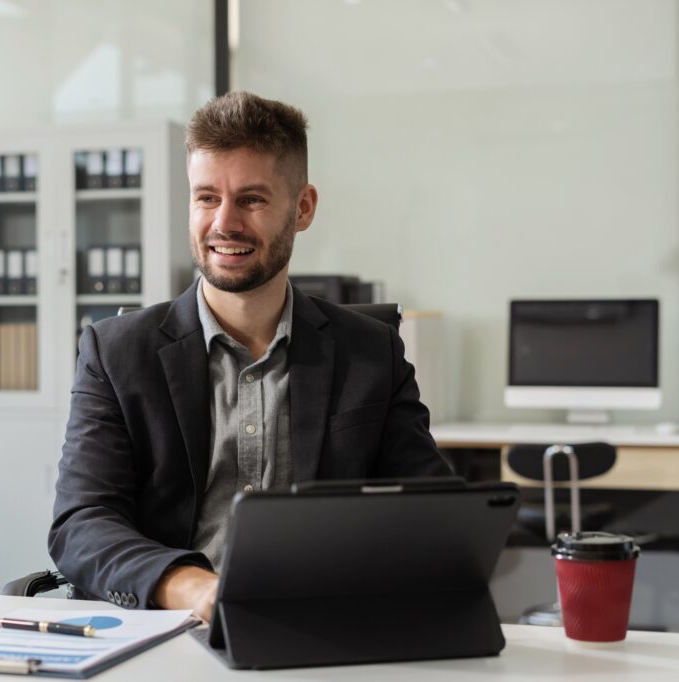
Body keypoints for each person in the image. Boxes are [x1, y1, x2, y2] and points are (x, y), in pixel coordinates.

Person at [48, 91, 451, 621]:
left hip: (321, 627)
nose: (224, 223)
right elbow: (82, 522)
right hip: (167, 628)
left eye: (252, 200)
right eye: (207, 197)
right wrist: (192, 588)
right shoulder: (117, 352)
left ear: (302, 207)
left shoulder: (370, 352)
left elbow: (431, 511)